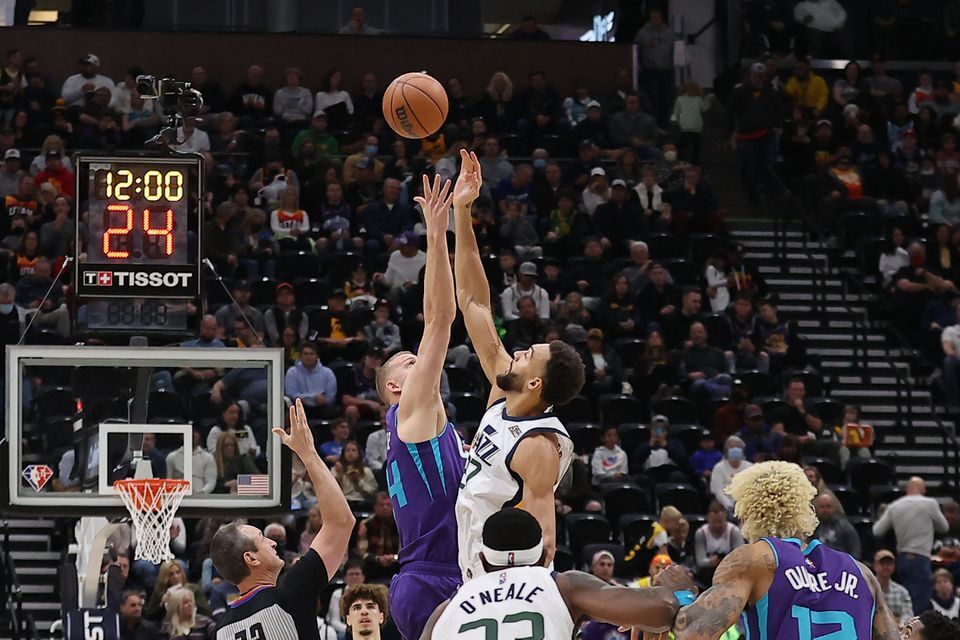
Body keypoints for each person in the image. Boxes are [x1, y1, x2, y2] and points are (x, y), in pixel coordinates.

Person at [451, 149, 586, 581]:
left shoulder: (538, 446)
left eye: (531, 355)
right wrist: (463, 213)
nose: (521, 350)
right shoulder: (503, 395)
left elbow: (545, 537)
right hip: (468, 562)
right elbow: (473, 302)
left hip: (500, 579)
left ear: (534, 384)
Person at [657, 460, 899, 640]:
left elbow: (694, 634)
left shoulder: (754, 559)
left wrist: (682, 594)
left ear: (750, 512)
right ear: (805, 508)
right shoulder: (862, 573)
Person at [372, 175, 466, 639]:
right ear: (393, 385)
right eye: (410, 362)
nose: (421, 360)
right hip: (434, 578)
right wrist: (436, 230)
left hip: (437, 573)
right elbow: (441, 319)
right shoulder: (410, 412)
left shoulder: (425, 423)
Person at [421, 508, 696, 639]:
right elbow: (662, 611)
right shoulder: (563, 585)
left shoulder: (445, 609)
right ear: (544, 557)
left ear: (483, 559)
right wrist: (678, 588)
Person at [211, 399, 355, 640]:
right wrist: (308, 454)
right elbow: (341, 522)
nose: (273, 542)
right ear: (251, 558)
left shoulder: (222, 630)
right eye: (261, 539)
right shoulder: (290, 593)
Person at [872, 475, 949, 613]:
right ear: (922, 489)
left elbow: (877, 530)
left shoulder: (895, 506)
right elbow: (944, 527)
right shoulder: (929, 503)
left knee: (906, 601)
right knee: (919, 606)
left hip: (901, 560)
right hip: (920, 559)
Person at [694, 501, 744, 585]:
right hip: (708, 573)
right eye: (714, 521)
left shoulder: (733, 531)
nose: (717, 525)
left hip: (730, 571)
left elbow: (741, 557)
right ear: (708, 518)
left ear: (725, 517)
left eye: (720, 521)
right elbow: (700, 561)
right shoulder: (701, 533)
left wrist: (725, 562)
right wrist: (710, 562)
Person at [873, 549, 915, 626]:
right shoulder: (867, 588)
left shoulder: (902, 591)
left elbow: (908, 613)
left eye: (889, 563)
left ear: (894, 566)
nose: (885, 566)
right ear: (875, 566)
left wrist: (900, 626)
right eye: (882, 563)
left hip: (897, 629)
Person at [710, 436, 752, 513]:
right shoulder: (718, 467)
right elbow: (717, 490)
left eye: (738, 447)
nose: (735, 449)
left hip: (744, 502)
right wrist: (729, 505)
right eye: (732, 447)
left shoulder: (750, 467)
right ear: (726, 451)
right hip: (724, 502)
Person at [812, 493, 861, 558]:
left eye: (828, 506)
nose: (825, 510)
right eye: (822, 507)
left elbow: (856, 552)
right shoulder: (811, 528)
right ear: (816, 509)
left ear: (834, 508)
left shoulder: (845, 526)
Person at [332, 441, 378, 506]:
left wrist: (359, 481)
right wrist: (340, 475)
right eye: (347, 450)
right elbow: (331, 490)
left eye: (354, 450)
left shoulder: (366, 471)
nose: (350, 453)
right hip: (343, 500)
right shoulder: (336, 469)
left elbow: (373, 491)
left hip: (361, 500)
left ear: (358, 454)